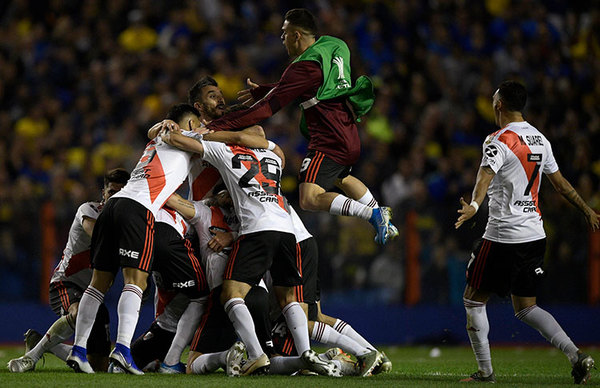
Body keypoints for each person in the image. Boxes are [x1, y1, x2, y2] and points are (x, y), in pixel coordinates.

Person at [205, 8, 398, 245]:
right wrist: (267, 89)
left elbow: (264, 110)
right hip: (348, 132)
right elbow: (309, 82)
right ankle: (383, 217)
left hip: (329, 139)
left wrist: (215, 126)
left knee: (309, 197)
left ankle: (374, 214)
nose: (282, 38)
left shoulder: (302, 67)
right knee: (342, 178)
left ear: (296, 35)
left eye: (284, 33)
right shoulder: (334, 45)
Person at [161, 124, 340, 377]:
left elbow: (186, 143)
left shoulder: (225, 153)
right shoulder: (275, 153)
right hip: (286, 230)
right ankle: (305, 354)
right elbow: (253, 135)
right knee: (288, 299)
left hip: (257, 231)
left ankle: (255, 356)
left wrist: (178, 132)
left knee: (231, 295)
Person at [455, 80, 599, 384]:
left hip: (503, 235)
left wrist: (475, 205)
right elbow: (560, 184)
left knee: (472, 300)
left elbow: (484, 175)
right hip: (535, 234)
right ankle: (576, 355)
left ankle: (485, 373)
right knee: (526, 308)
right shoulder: (540, 139)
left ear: (499, 105)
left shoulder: (498, 139)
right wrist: (586, 209)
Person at [7, 168, 130, 373]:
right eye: (111, 192)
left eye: (120, 194)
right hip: (66, 283)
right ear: (104, 193)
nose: (115, 198)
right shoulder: (88, 210)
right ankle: (30, 357)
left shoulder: (126, 225)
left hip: (95, 295)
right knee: (79, 309)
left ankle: (48, 344)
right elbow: (97, 236)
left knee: (98, 366)